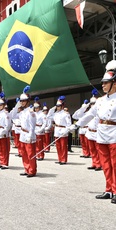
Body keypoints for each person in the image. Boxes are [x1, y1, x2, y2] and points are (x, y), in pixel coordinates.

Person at [69, 60, 116, 204]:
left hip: (114, 133)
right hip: (102, 135)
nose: (102, 85)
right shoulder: (101, 101)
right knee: (106, 164)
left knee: (115, 164)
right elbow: (90, 115)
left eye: (106, 83)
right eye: (103, 83)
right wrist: (77, 125)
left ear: (114, 83)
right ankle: (109, 190)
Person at [17, 86, 37, 177]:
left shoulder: (31, 112)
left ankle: (32, 171)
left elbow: (32, 126)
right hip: (22, 134)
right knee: (24, 154)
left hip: (29, 134)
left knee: (30, 154)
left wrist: (30, 135)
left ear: (28, 101)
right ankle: (26, 169)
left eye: (23, 101)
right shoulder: (22, 112)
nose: (22, 102)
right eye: (21, 101)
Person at [48, 96, 71, 165]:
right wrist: (53, 108)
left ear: (62, 106)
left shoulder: (66, 113)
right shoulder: (55, 114)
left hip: (63, 130)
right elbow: (48, 117)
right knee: (58, 146)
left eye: (59, 106)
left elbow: (69, 124)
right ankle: (60, 159)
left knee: (63, 146)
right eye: (57, 106)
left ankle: (64, 160)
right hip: (57, 130)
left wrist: (66, 130)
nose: (58, 107)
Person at [0, 92, 11, 169]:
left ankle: (5, 163)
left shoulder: (6, 114)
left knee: (4, 149)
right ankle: (1, 162)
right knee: (0, 148)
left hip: (3, 132)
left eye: (1, 105)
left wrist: (4, 132)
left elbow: (7, 125)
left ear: (4, 105)